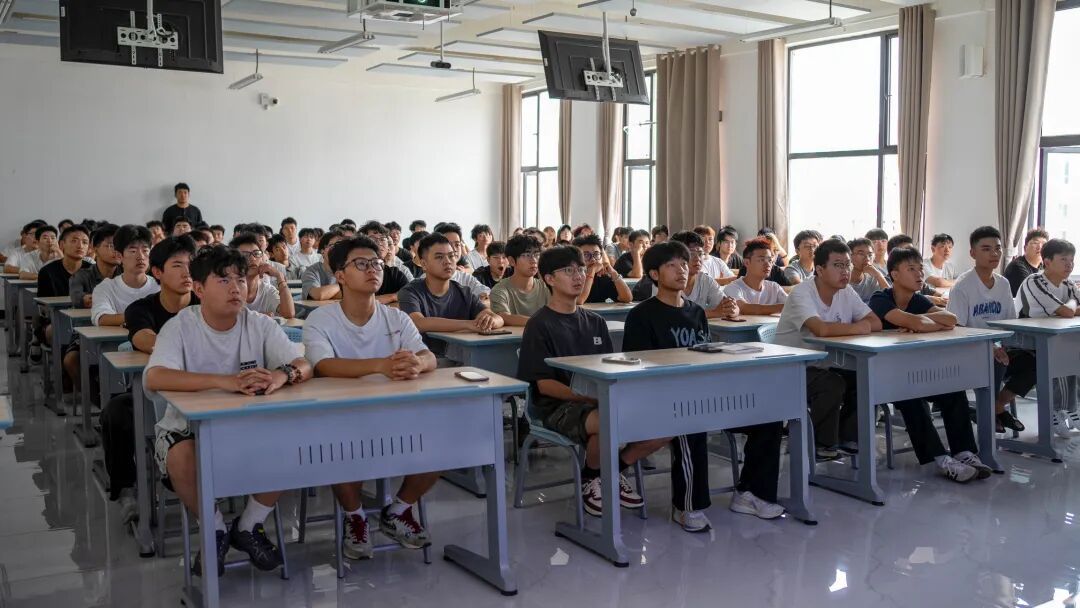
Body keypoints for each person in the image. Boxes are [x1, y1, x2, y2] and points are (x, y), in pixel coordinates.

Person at [147, 245, 312, 577]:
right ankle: (215, 528)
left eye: (240, 279)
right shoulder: (181, 326)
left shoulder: (259, 324)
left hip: (249, 426)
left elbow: (303, 364)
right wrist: (224, 382)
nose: (236, 288)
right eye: (223, 280)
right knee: (181, 456)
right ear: (198, 289)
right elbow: (155, 376)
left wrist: (281, 376)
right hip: (188, 429)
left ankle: (249, 525)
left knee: (292, 442)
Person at [623, 241, 786, 528]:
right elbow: (636, 368)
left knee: (768, 418)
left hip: (704, 392)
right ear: (654, 274)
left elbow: (704, 352)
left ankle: (750, 493)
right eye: (672, 265)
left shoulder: (696, 312)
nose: (681, 270)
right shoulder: (642, 315)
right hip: (664, 398)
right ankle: (687, 506)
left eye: (683, 264)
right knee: (691, 422)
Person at [303, 236, 440, 558]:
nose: (373, 269)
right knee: (338, 443)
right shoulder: (321, 319)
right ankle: (355, 516)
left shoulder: (396, 317)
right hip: (341, 414)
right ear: (340, 274)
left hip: (395, 409)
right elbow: (323, 365)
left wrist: (417, 363)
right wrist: (381, 365)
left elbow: (428, 356)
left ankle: (399, 509)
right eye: (361, 264)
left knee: (440, 438)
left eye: (377, 263)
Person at [517, 245, 668, 517]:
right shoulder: (539, 324)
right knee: (607, 418)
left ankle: (606, 471)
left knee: (666, 420)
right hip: (554, 405)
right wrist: (589, 398)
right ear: (549, 279)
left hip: (597, 399)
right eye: (568, 271)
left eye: (581, 270)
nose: (578, 276)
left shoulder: (595, 321)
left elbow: (608, 367)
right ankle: (594, 478)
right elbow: (543, 385)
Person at [868, 247, 993, 482]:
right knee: (911, 398)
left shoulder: (918, 300)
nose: (919, 274)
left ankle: (964, 453)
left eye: (920, 269)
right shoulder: (880, 299)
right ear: (894, 274)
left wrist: (918, 321)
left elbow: (951, 319)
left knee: (953, 390)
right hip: (885, 376)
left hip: (916, 371)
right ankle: (941, 459)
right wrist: (921, 323)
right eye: (911, 269)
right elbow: (918, 323)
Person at [100, 235, 198, 523]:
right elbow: (144, 339)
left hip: (204, 391)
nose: (187, 273)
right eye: (178, 265)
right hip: (158, 393)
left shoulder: (206, 303)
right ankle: (127, 489)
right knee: (116, 412)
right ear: (157, 272)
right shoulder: (141, 309)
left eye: (191, 265)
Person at [773, 239, 883, 460]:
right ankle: (815, 443)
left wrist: (858, 326)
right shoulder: (802, 293)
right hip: (791, 367)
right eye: (838, 265)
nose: (845, 271)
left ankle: (848, 438)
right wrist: (858, 327)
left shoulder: (846, 291)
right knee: (832, 384)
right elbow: (821, 329)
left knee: (866, 378)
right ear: (820, 269)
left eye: (847, 265)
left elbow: (875, 323)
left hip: (827, 364)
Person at [947, 226, 1036, 435]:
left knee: (1037, 361)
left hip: (1001, 348)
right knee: (996, 360)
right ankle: (991, 418)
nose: (994, 254)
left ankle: (995, 407)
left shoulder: (1003, 284)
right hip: (970, 350)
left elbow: (1010, 322)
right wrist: (991, 346)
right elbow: (956, 328)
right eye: (986, 249)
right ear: (972, 253)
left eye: (997, 249)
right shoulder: (962, 286)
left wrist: (1002, 345)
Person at [397, 233, 503, 356]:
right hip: (424, 359)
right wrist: (469, 325)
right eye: (439, 257)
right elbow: (418, 323)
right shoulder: (410, 291)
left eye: (451, 256)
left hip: (464, 355)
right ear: (424, 264)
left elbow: (498, 319)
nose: (448, 261)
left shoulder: (464, 292)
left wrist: (490, 321)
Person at [92, 225, 160, 327]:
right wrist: (142, 316)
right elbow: (102, 318)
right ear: (119, 256)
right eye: (133, 251)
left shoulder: (160, 286)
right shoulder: (106, 288)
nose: (141, 256)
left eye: (145, 250)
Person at [229, 233, 296, 318]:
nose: (252, 258)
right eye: (245, 255)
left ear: (262, 258)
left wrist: (279, 276)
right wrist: (260, 317)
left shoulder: (267, 290)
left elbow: (289, 314)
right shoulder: (227, 289)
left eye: (256, 253)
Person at [491, 234, 549, 326]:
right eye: (527, 255)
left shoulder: (546, 288)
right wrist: (539, 323)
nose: (534, 260)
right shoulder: (500, 290)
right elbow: (503, 317)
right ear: (511, 261)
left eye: (537, 255)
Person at [723, 237, 788, 315]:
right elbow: (743, 308)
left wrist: (790, 305)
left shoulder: (774, 287)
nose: (768, 264)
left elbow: (793, 304)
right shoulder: (733, 287)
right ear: (747, 263)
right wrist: (785, 307)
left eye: (770, 260)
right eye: (761, 260)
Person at [358, 221, 412, 304]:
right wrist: (393, 296)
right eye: (373, 239)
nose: (379, 243)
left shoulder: (395, 274)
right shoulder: (354, 271)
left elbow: (410, 299)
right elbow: (355, 303)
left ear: (388, 246)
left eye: (383, 239)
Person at [572, 234, 632, 304]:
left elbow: (627, 298)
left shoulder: (602, 277)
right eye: (586, 255)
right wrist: (592, 271)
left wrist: (612, 271)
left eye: (596, 254)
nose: (593, 259)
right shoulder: (571, 277)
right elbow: (579, 300)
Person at [1004, 228, 1049, 296]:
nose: (1040, 247)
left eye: (1043, 244)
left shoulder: (1042, 267)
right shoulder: (1018, 266)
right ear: (1025, 248)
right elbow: (1032, 295)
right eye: (1035, 243)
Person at [301, 230, 345, 300]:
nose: (336, 250)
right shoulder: (311, 271)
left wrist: (329, 294)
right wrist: (341, 286)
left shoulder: (349, 269)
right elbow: (319, 295)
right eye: (332, 246)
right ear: (322, 250)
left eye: (340, 246)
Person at [846, 238, 889, 302]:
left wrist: (878, 275)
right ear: (849, 256)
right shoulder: (843, 279)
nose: (867, 258)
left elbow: (890, 298)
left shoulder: (873, 278)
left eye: (870, 255)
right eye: (861, 254)